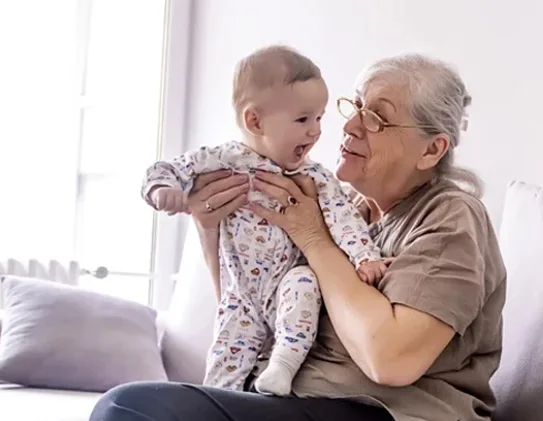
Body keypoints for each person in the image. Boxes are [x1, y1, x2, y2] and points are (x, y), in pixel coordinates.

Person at [91, 52, 506, 421]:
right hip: (293, 397)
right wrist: (208, 225)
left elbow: (391, 361)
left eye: (377, 117)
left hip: (383, 411)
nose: (351, 125)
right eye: (355, 106)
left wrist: (312, 237)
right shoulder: (343, 206)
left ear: (431, 150)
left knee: (129, 408)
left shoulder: (450, 216)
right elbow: (255, 307)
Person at [140, 45, 386, 396]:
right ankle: (217, 402)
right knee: (224, 365)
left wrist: (365, 257)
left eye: (319, 118)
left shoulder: (314, 177)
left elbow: (345, 219)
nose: (315, 132)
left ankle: (282, 366)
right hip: (240, 294)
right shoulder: (223, 160)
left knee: (304, 282)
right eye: (303, 120)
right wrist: (162, 189)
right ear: (254, 121)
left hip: (287, 284)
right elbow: (167, 168)